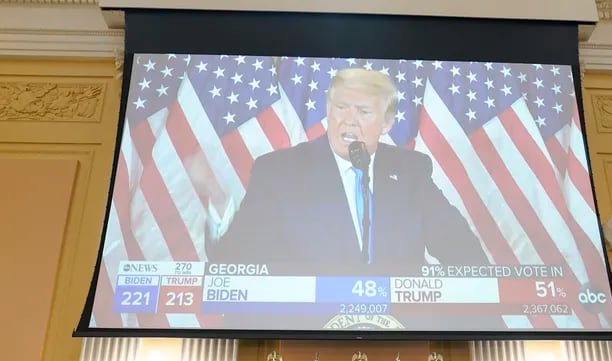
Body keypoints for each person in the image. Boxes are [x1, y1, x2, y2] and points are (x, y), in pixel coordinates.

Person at [207, 67, 487, 272]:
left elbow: (464, 253)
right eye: (341, 108)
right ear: (328, 110)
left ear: (386, 123)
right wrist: (219, 209)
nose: (349, 121)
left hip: (396, 335)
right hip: (305, 334)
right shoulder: (279, 172)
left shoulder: (410, 172)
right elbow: (236, 260)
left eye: (363, 112)